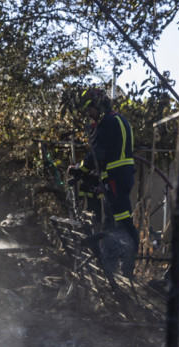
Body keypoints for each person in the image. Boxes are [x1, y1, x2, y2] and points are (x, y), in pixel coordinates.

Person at [69, 87, 138, 277]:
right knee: (118, 220)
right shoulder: (121, 121)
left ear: (98, 105)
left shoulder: (107, 123)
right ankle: (116, 269)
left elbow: (96, 157)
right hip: (120, 179)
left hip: (115, 180)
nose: (89, 114)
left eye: (89, 108)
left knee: (119, 222)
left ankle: (121, 270)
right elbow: (115, 154)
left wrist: (77, 169)